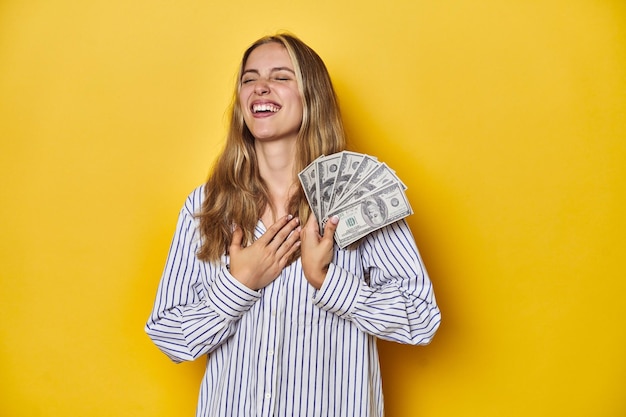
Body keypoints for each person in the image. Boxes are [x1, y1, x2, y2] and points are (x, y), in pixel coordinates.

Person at [145, 33, 441, 417]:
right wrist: (239, 286)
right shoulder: (207, 205)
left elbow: (421, 317)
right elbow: (169, 335)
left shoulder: (358, 196)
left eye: (281, 77)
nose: (260, 87)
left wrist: (328, 281)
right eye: (249, 79)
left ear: (311, 96)